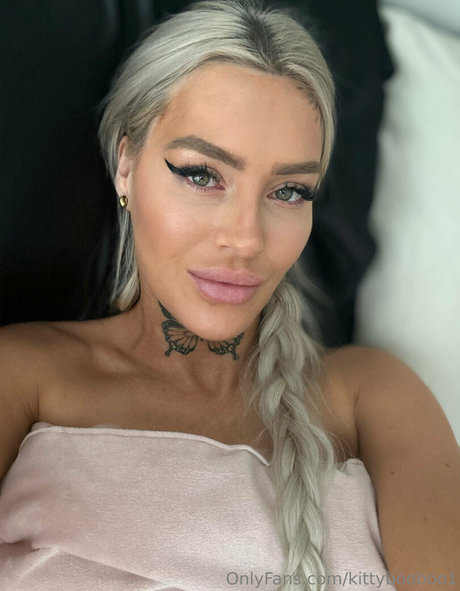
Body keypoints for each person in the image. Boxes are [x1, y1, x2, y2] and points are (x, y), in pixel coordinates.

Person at [0, 1, 458, 589]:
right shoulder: (25, 377)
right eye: (201, 175)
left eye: (289, 191)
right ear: (126, 166)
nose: (246, 239)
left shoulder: (371, 396)